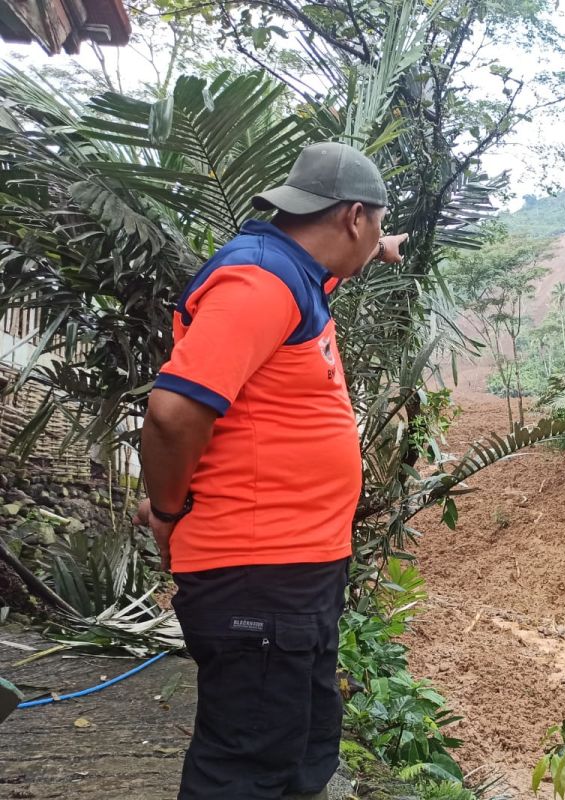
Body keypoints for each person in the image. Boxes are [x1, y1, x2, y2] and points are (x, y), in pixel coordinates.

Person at [134, 142, 408, 800]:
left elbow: (341, 263)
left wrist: (384, 243)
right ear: (350, 216)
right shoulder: (260, 281)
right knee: (246, 770)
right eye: (374, 224)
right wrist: (166, 512)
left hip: (296, 575)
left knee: (297, 748)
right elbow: (173, 414)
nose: (374, 241)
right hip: (258, 577)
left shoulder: (300, 271)